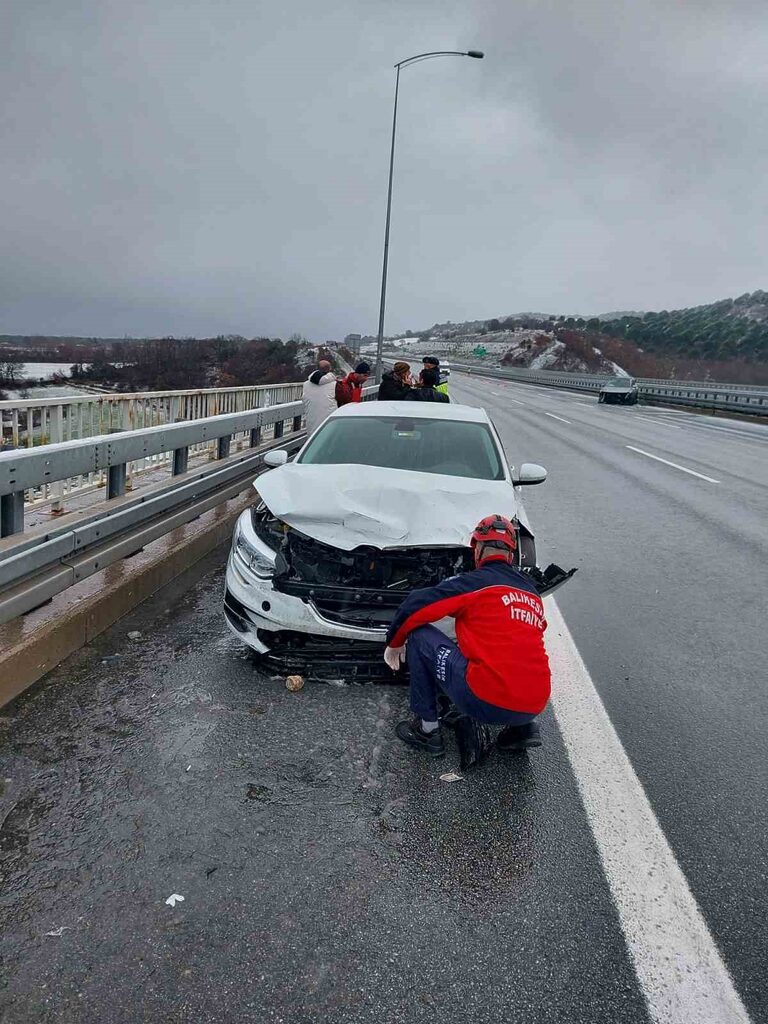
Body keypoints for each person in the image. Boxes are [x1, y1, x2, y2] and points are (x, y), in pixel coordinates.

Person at [383, 515, 550, 757]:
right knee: (517, 648)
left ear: (478, 549)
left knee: (419, 635)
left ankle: (427, 730)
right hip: (534, 704)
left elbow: (416, 605)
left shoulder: (474, 583)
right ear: (512, 555)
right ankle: (522, 730)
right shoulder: (531, 593)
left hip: (484, 699)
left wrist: (394, 642)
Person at [302, 360, 337, 436]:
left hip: (311, 426)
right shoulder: (335, 385)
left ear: (317, 368)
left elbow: (304, 402)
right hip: (329, 425)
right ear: (329, 369)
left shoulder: (305, 385)